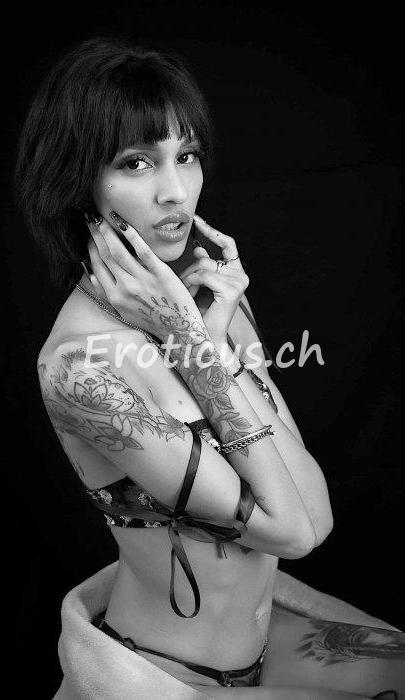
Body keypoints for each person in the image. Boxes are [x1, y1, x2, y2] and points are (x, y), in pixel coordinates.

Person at [16, 36, 405, 699]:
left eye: (187, 155)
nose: (176, 192)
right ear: (75, 180)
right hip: (164, 676)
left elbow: (314, 510)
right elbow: (290, 535)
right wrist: (188, 341)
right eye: (136, 162)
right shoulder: (79, 368)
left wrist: (206, 342)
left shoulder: (210, 301)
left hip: (266, 654)